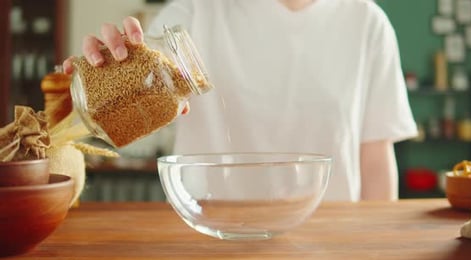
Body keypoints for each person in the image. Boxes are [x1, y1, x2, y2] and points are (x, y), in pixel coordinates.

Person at [63, 0, 417, 201]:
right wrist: (108, 64)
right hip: (208, 233)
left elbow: (375, 160)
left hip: (331, 238)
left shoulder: (367, 22)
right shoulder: (196, 11)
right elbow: (145, 90)